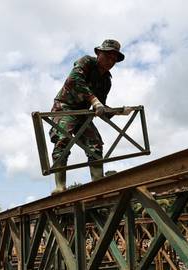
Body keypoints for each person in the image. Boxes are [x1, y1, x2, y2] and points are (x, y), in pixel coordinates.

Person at [49, 39, 128, 194]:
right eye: (107, 56)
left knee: (95, 143)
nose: (110, 61)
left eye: (114, 59)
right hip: (64, 108)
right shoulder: (85, 62)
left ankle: (97, 184)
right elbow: (74, 80)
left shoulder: (106, 81)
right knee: (63, 140)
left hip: (83, 113)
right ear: (98, 53)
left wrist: (120, 111)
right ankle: (60, 186)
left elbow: (101, 107)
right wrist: (94, 101)